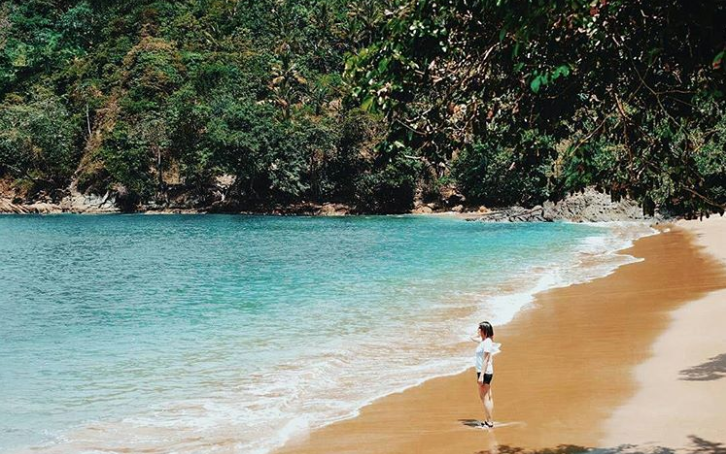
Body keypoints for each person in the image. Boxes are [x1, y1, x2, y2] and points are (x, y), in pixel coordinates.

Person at [471, 321, 495, 428]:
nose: (478, 330)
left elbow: (486, 359)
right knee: (488, 397)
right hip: (484, 371)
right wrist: (477, 334)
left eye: (479, 329)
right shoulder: (484, 341)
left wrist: (481, 375)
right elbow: (471, 338)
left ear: (484, 330)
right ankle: (488, 420)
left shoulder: (487, 342)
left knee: (484, 397)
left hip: (484, 372)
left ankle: (489, 421)